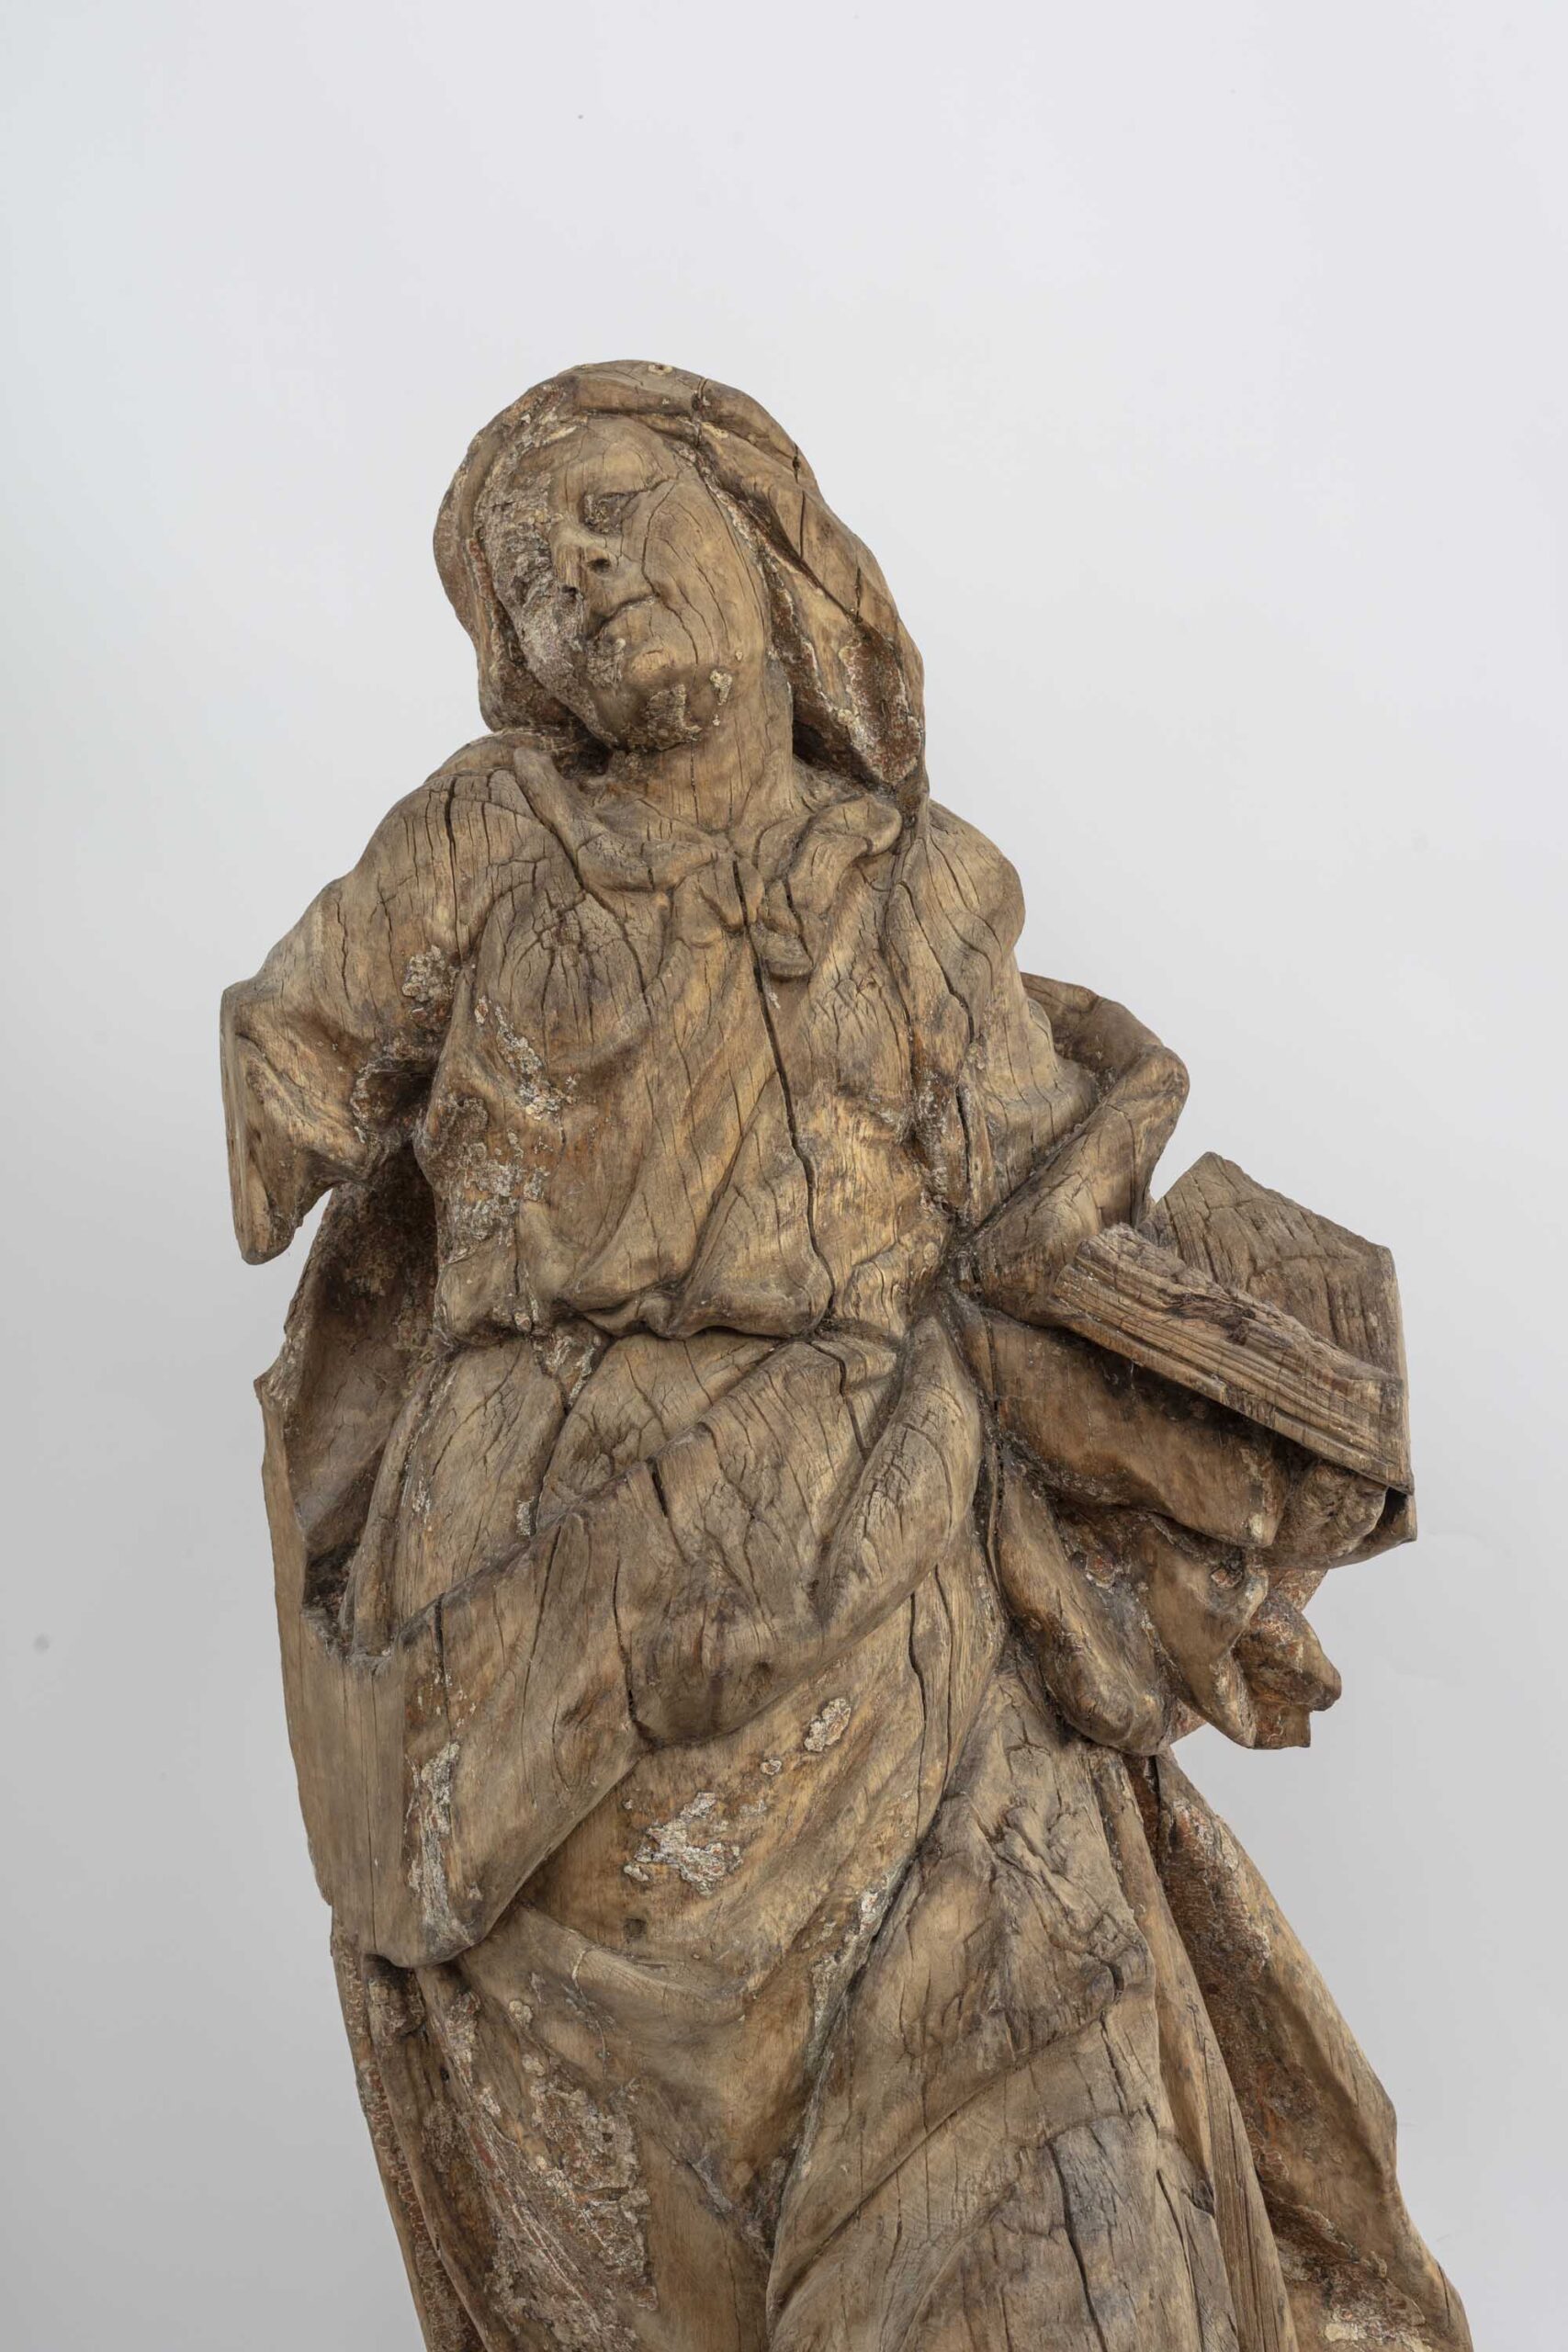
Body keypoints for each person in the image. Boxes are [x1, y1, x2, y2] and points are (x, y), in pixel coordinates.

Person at [222, 363, 1469, 2352]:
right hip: (535, 1611)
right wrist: (308, 1115)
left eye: (618, 511)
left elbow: (1033, 1233)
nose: (580, 573)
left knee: (1053, 2114)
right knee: (635, 2230)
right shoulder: (478, 833)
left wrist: (1247, 1405)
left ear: (769, 544)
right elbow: (294, 1045)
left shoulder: (919, 883)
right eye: (528, 574)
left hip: (880, 1558)